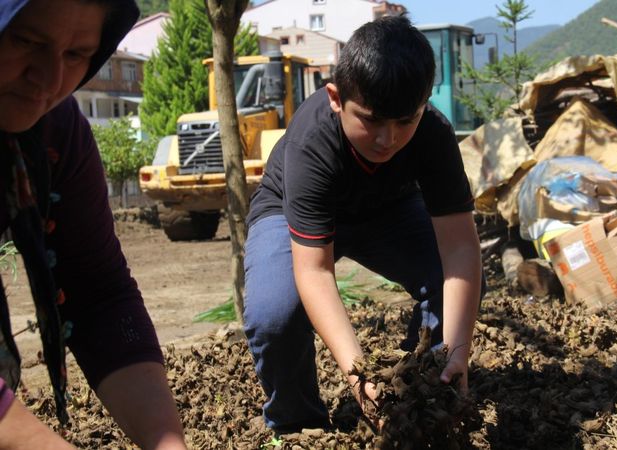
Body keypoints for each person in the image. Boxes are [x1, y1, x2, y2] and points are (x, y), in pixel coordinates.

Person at [243, 15, 484, 433]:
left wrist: (458, 352)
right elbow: (314, 271)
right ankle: (296, 423)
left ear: (424, 103)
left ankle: (423, 386)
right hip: (290, 212)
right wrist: (358, 374)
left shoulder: (433, 135)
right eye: (370, 120)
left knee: (446, 279)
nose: (387, 139)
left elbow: (461, 250)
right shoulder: (312, 141)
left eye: (405, 121)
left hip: (388, 208)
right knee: (274, 314)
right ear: (336, 98)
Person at [0, 1, 187, 448]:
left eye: (75, 54)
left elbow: (98, 295)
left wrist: (167, 443)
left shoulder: (54, 133)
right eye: (26, 41)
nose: (48, 81)